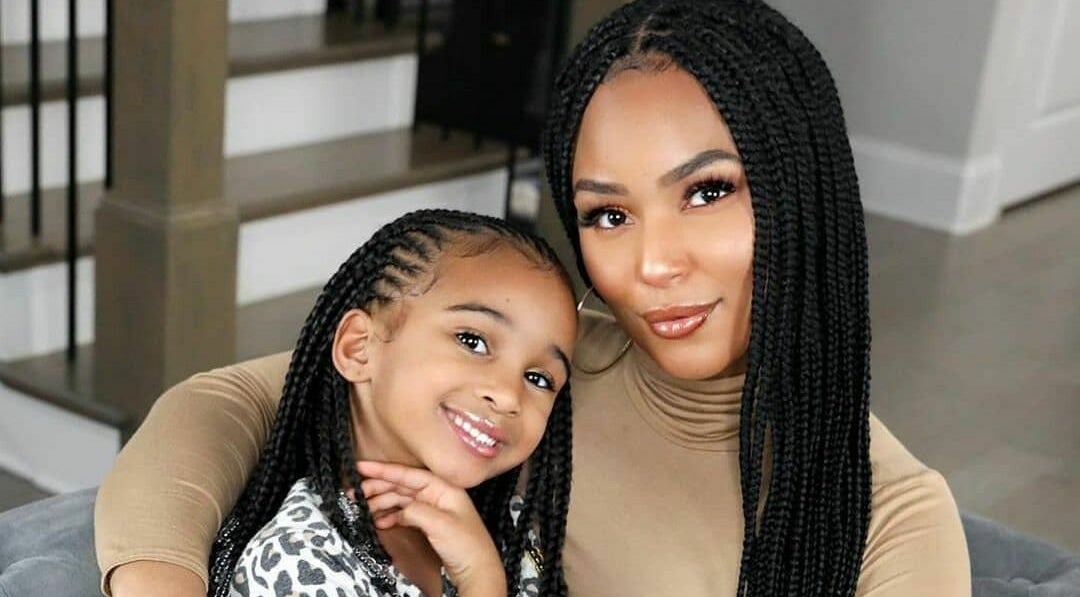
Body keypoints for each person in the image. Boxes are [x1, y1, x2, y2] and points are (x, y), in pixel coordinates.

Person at [94, 1, 970, 596]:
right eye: (609, 213)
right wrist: (159, 576)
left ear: (802, 189)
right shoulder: (548, 364)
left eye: (708, 191)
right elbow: (227, 401)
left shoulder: (891, 515)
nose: (652, 263)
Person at [210, 209, 577, 597]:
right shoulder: (296, 558)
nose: (507, 396)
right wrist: (481, 580)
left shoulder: (507, 527)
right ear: (359, 348)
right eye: (472, 341)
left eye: (539, 378)